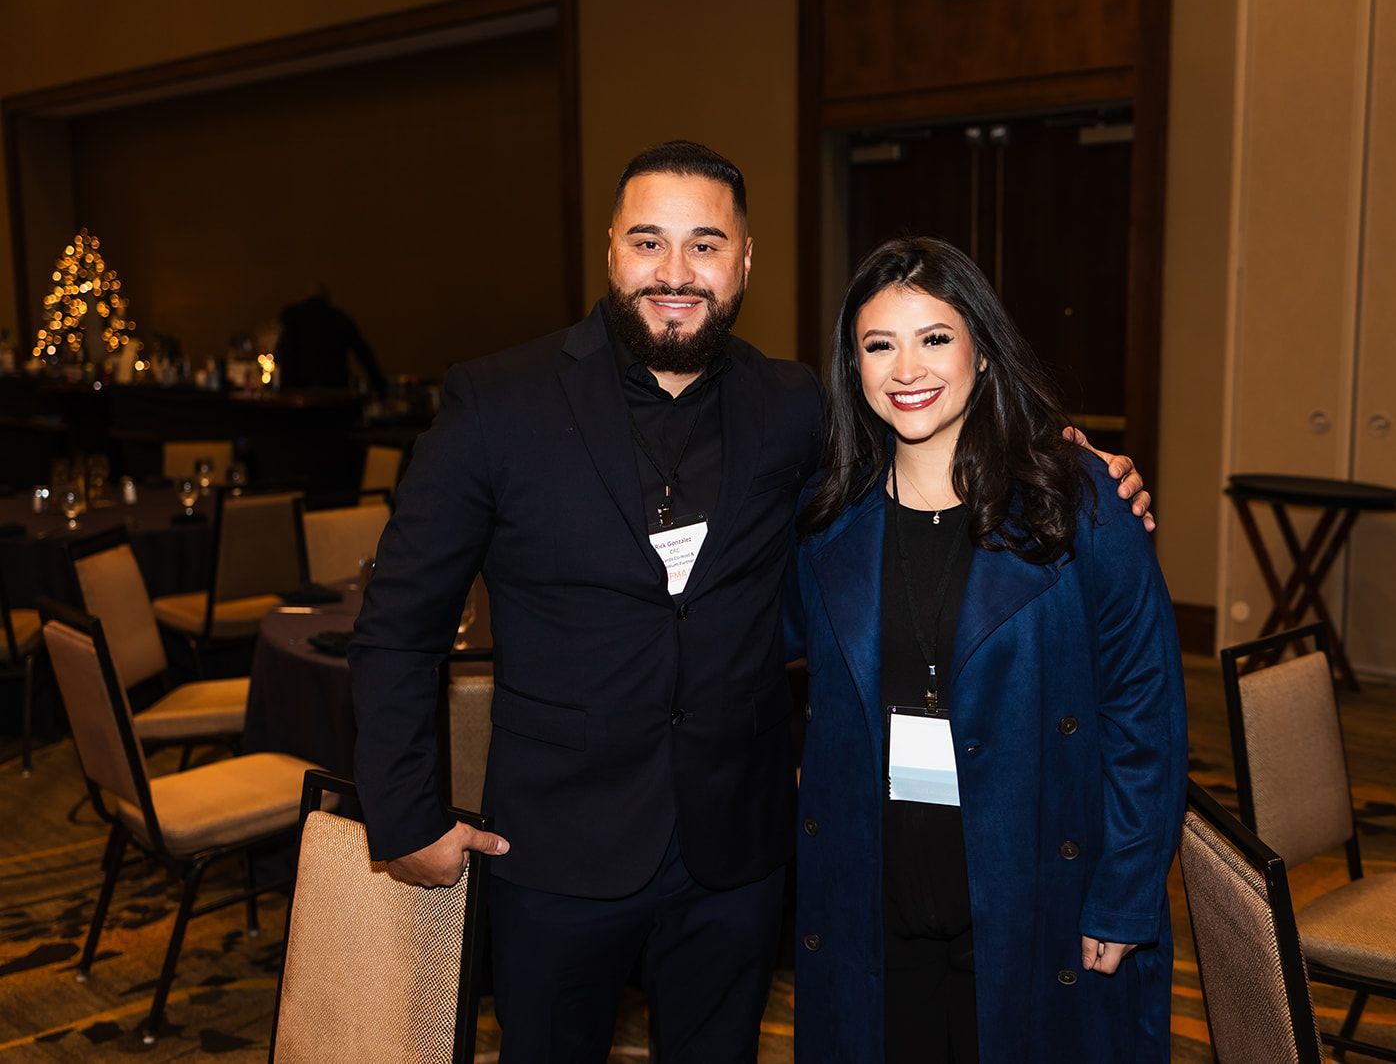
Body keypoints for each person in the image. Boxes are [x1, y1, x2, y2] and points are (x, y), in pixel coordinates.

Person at [350, 143, 1153, 1063]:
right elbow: (399, 625)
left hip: (736, 851)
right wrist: (407, 812)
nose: (675, 271)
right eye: (649, 242)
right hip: (558, 847)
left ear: (744, 261)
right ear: (611, 248)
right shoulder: (498, 401)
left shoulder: (792, 405)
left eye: (705, 244)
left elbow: (926, 422)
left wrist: (1066, 458)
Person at [789, 237, 1186, 1063]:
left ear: (981, 348)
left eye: (935, 337)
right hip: (878, 899)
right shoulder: (827, 519)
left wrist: (1124, 894)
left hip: (1035, 894)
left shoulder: (1081, 503)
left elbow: (1144, 715)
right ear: (853, 366)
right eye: (879, 344)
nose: (907, 369)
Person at [274, 284, 387, 392]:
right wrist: (380, 385)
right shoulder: (339, 318)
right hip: (334, 390)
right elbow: (363, 353)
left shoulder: (291, 317)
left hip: (297, 392)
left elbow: (281, 349)